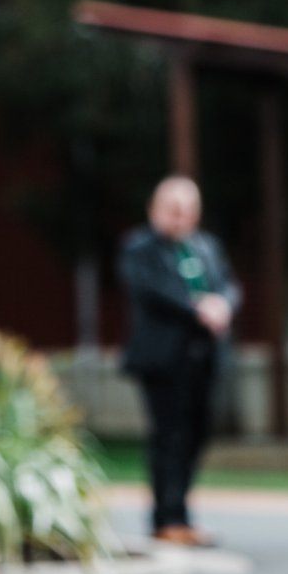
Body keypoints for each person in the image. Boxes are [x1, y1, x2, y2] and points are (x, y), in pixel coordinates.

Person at [117, 175, 240, 547]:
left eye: (187, 210)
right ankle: (165, 517)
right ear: (155, 210)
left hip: (204, 359)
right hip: (163, 361)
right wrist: (197, 309)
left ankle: (181, 515)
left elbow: (229, 285)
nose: (180, 216)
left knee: (196, 435)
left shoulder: (205, 246)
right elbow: (154, 291)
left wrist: (223, 305)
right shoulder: (141, 248)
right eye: (173, 209)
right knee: (168, 437)